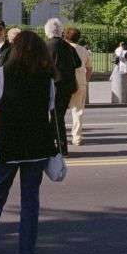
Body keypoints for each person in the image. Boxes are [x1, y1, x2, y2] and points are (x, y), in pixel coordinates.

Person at [0, 30, 59, 254]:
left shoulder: (6, 73)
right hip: (38, 145)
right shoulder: (46, 77)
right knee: (30, 201)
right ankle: (26, 253)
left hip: (10, 144)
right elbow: (49, 105)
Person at [45, 18, 82, 156]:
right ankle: (49, 144)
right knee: (57, 116)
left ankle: (61, 147)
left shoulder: (46, 46)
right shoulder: (68, 46)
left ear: (47, 31)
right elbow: (77, 63)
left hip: (54, 85)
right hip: (67, 85)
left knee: (56, 117)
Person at [64, 27, 92, 146]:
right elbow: (89, 68)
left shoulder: (63, 48)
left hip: (65, 82)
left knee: (60, 112)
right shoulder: (83, 50)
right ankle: (77, 137)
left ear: (65, 36)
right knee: (78, 112)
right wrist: (85, 80)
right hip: (80, 82)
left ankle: (58, 136)